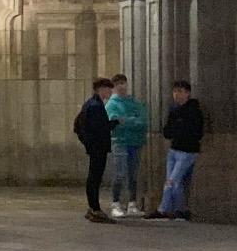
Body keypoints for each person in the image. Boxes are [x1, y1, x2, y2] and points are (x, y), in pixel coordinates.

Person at [146, 80, 205, 221]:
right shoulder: (174, 110)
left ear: (187, 93)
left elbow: (196, 132)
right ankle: (180, 210)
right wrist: (176, 128)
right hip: (174, 150)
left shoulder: (194, 111)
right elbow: (167, 131)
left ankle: (165, 210)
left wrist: (178, 129)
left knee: (173, 181)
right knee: (172, 181)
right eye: (174, 91)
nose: (176, 94)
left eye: (180, 91)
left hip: (187, 151)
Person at [75, 77, 119, 224]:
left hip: (95, 146)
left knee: (94, 177)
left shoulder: (91, 104)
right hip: (98, 147)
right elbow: (100, 128)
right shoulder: (95, 106)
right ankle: (95, 209)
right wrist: (115, 123)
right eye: (108, 89)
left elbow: (79, 125)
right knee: (95, 177)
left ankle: (93, 207)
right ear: (101, 89)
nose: (110, 92)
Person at [105, 73, 147, 217]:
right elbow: (114, 122)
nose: (122, 87)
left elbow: (143, 121)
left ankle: (132, 203)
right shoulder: (112, 104)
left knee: (133, 174)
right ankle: (116, 203)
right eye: (118, 84)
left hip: (135, 142)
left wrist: (126, 121)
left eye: (124, 83)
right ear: (114, 88)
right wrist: (132, 120)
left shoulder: (135, 102)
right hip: (120, 142)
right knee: (119, 173)